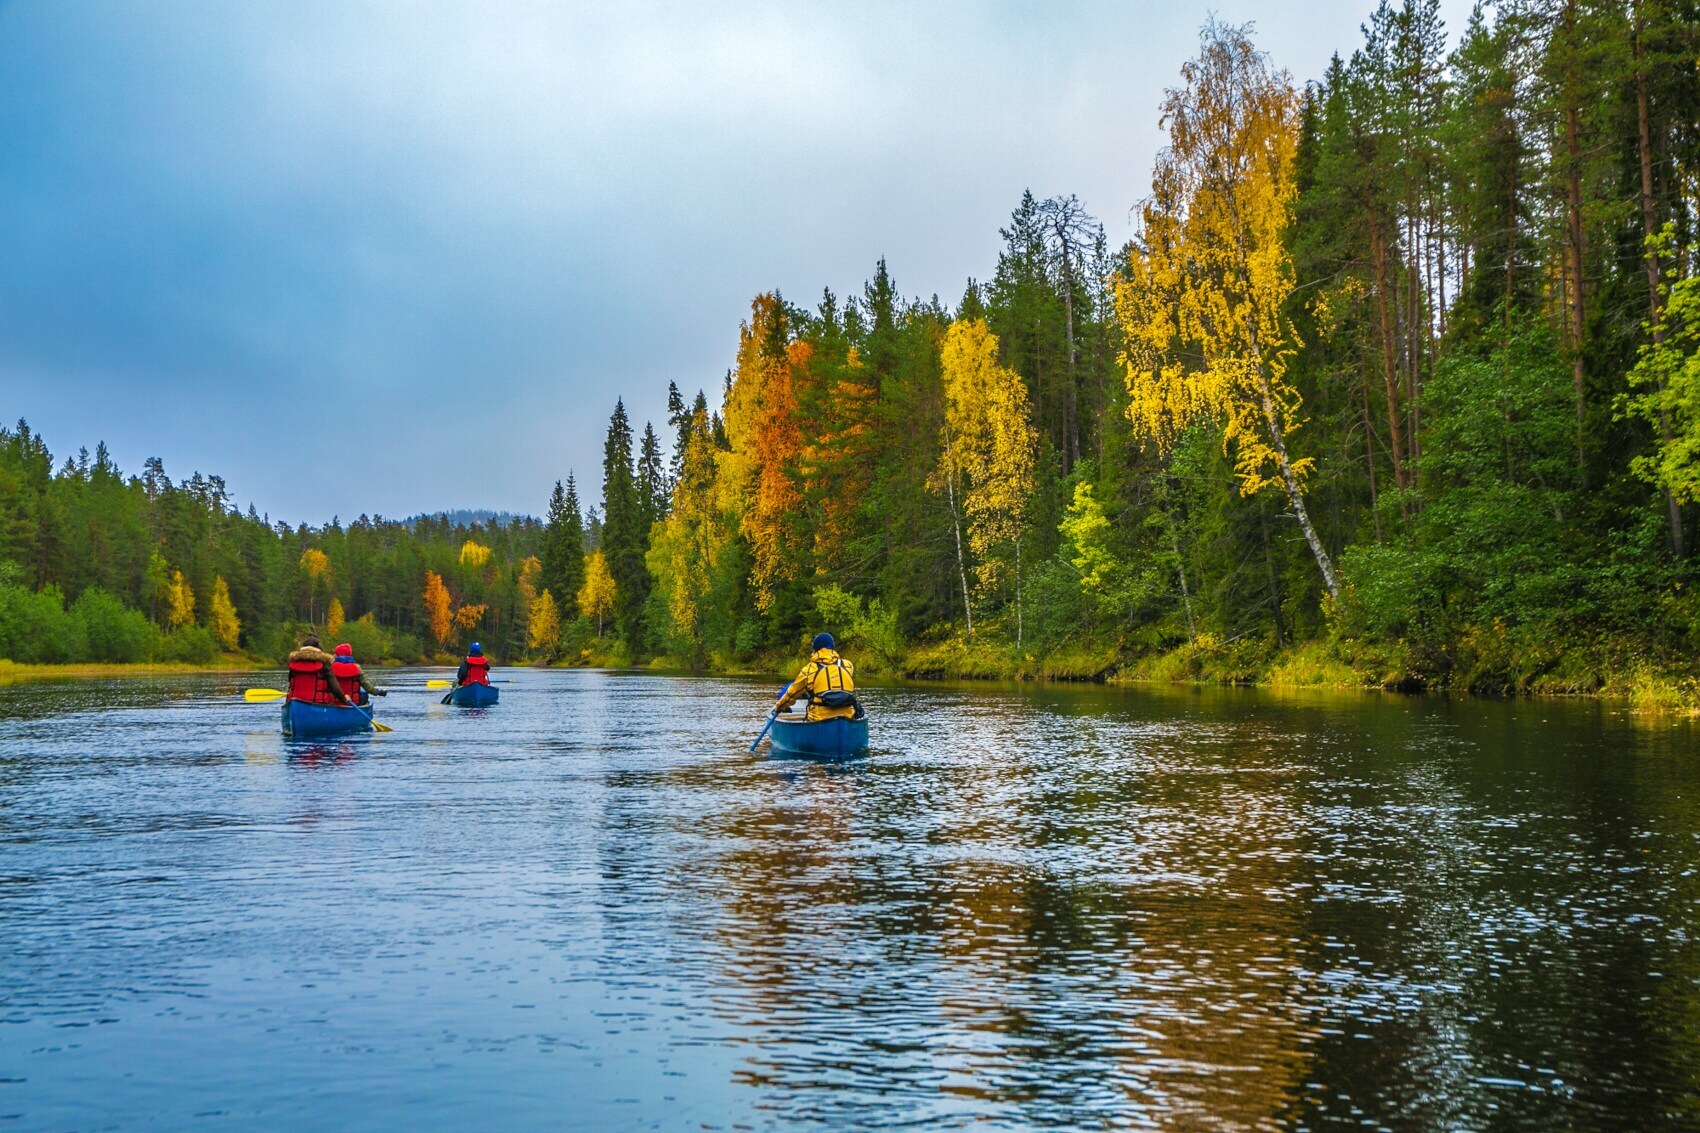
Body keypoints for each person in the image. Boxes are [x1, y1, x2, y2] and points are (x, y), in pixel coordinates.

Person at [776, 633, 858, 722]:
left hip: (819, 719)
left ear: (815, 649)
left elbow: (792, 694)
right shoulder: (847, 666)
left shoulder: (809, 669)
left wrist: (779, 707)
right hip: (847, 716)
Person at [286, 634, 353, 706]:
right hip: (317, 704)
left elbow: (290, 681)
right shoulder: (325, 663)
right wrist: (344, 699)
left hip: (295, 703)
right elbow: (334, 688)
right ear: (319, 649)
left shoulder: (293, 662)